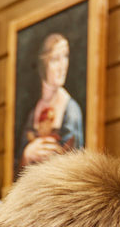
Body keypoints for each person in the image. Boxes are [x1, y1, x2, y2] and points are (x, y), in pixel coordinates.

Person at [15, 33, 83, 177]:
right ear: (42, 64)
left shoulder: (70, 110)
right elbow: (17, 170)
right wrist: (27, 154)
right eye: (55, 59)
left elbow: (75, 164)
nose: (62, 66)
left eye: (65, 56)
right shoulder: (33, 112)